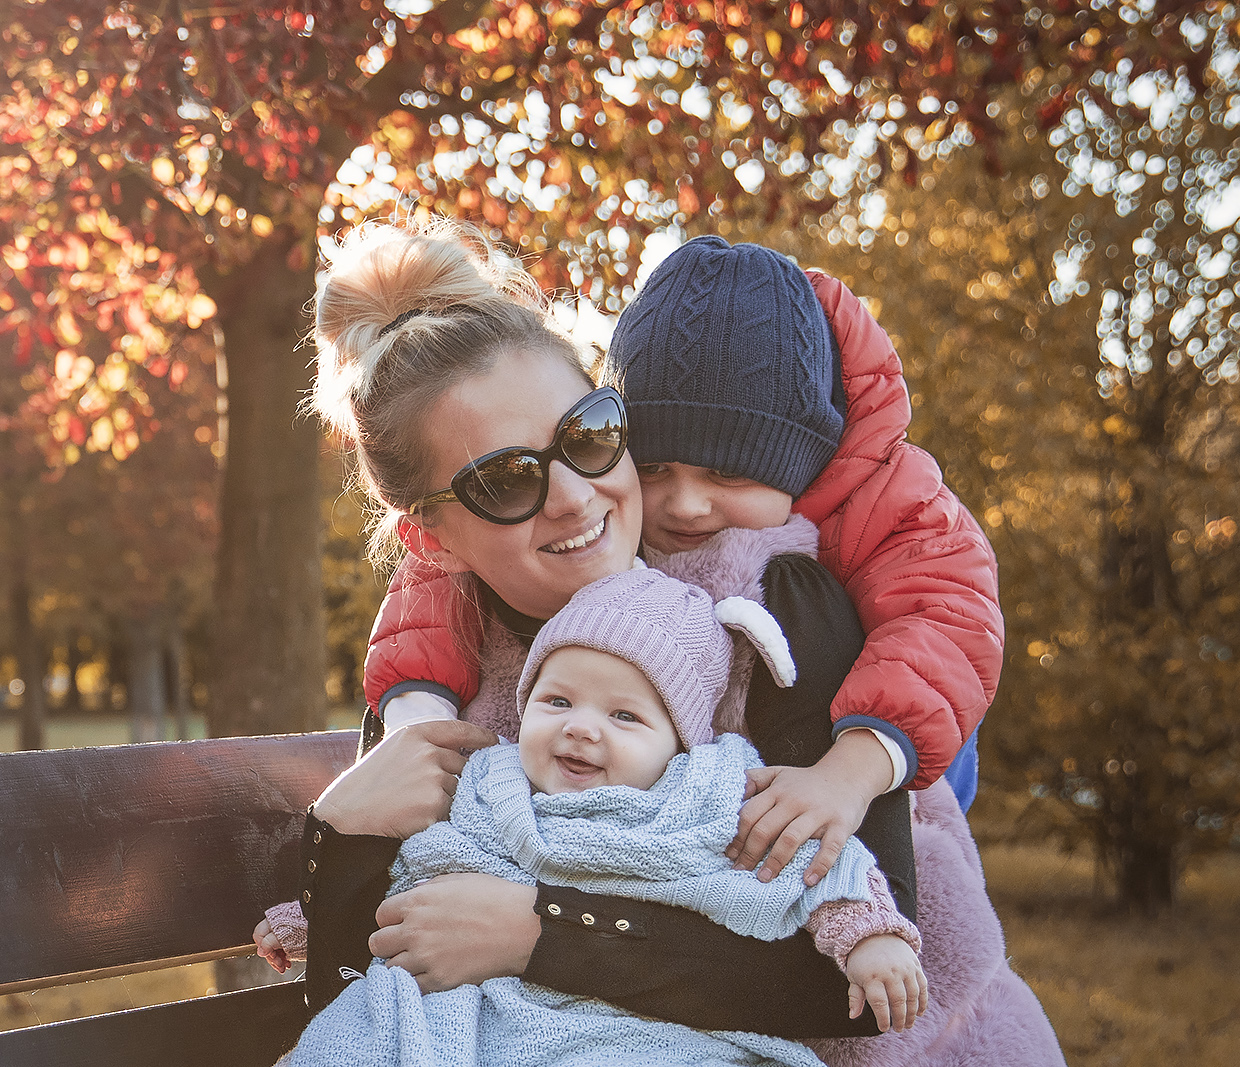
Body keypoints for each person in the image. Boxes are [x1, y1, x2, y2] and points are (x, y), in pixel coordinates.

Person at [279, 218, 1064, 1066]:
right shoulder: (441, 680)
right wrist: (339, 831)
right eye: (507, 480)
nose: (578, 496)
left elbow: (862, 984)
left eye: (588, 435)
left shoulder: (772, 613)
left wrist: (541, 929)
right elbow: (362, 1004)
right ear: (430, 538)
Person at [284, 564, 926, 1067]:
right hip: (488, 1015)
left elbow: (820, 864)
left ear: (679, 742)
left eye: (624, 716)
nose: (582, 729)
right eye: (557, 700)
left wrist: (871, 938)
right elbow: (417, 873)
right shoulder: (488, 784)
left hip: (649, 1032)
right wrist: (304, 921)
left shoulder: (711, 797)